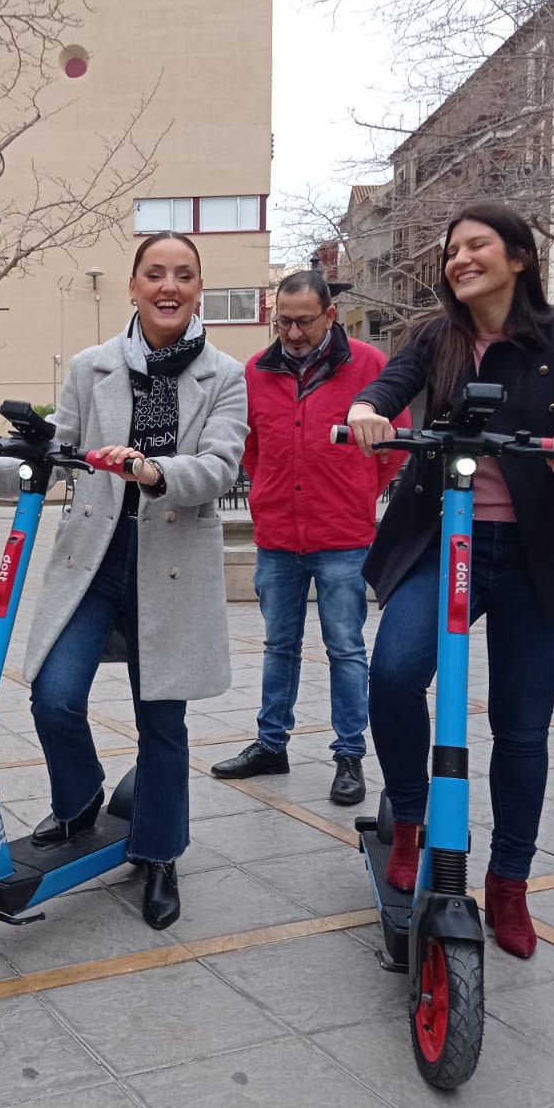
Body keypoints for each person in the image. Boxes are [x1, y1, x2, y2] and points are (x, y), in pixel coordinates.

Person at [345, 201, 554, 960]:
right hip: (446, 539)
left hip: (541, 552)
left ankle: (509, 883)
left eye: (477, 246)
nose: (460, 259)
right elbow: (390, 386)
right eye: (452, 249)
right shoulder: (438, 336)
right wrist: (368, 408)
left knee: (521, 728)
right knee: (394, 672)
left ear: (519, 257)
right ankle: (411, 819)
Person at [0, 231, 248, 930]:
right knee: (54, 694)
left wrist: (154, 471)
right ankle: (81, 798)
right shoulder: (90, 367)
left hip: (172, 566)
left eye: (183, 274)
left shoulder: (224, 374)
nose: (168, 286)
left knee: (161, 722)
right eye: (155, 273)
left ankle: (159, 852)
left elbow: (222, 467)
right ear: (134, 286)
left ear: (199, 288)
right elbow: (56, 453)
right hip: (95, 560)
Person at [210, 271, 408, 804]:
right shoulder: (255, 370)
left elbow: (396, 445)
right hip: (277, 535)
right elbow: (249, 447)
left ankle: (349, 756)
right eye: (283, 321)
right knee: (279, 646)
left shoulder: (370, 368)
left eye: (303, 321)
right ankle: (271, 743)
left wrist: (360, 489)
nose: (292, 333)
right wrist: (267, 493)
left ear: (329, 316)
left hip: (343, 535)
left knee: (346, 649)